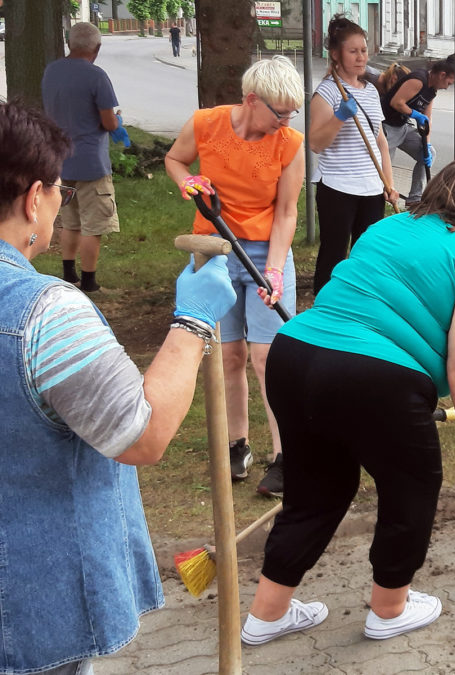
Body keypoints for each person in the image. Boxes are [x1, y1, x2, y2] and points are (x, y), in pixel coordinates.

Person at [0, 95, 236, 675]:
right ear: (33, 198)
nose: (60, 201)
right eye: (58, 188)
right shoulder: (45, 311)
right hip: (34, 609)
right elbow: (142, 434)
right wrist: (193, 322)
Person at [241, 157, 455, 645]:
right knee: (410, 488)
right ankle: (389, 609)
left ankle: (266, 615)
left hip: (296, 354)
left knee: (314, 492)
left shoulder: (386, 227)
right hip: (375, 376)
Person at [164, 56, 305, 496]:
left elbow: (286, 212)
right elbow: (175, 159)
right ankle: (236, 445)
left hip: (265, 254)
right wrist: (187, 182)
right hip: (214, 251)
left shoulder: (290, 143)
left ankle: (286, 457)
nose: (285, 122)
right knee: (228, 356)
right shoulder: (206, 124)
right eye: (279, 112)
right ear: (251, 99)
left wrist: (276, 270)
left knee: (269, 358)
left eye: (290, 114)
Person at [310, 14, 397, 295]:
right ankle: (325, 307)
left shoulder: (371, 91)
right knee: (334, 253)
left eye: (363, 50)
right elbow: (315, 143)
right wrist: (339, 117)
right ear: (336, 55)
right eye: (353, 51)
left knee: (368, 255)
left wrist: (389, 183)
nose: (361, 57)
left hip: (372, 188)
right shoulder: (327, 92)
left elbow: (380, 141)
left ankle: (360, 306)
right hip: (338, 187)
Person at [41, 21, 123, 293]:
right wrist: (117, 122)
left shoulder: (51, 71)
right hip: (91, 163)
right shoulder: (96, 76)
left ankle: (68, 275)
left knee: (70, 221)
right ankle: (90, 282)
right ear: (96, 48)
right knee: (93, 224)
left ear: (69, 44)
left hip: (61, 160)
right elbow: (109, 123)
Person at [379, 56, 455, 205]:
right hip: (385, 128)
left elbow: (427, 119)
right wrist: (415, 114)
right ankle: (379, 203)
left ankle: (414, 199)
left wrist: (426, 144)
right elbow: (396, 102)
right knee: (384, 176)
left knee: (429, 154)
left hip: (402, 127)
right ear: (442, 75)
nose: (447, 87)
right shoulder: (418, 80)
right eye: (448, 82)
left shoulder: (432, 90)